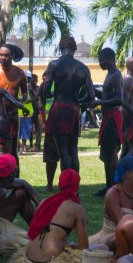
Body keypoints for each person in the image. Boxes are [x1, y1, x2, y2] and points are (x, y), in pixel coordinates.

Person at [9, 168, 89, 263]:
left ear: (59, 184)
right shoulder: (77, 209)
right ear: (77, 185)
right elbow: (84, 248)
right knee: (102, 248)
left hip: (28, 260)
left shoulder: (45, 202)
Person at [39, 36, 96, 181]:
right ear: (74, 49)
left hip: (59, 108)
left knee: (63, 151)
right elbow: (91, 95)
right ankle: (74, 186)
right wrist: (78, 100)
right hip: (73, 109)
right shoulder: (83, 68)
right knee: (73, 150)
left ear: (60, 48)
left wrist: (52, 93)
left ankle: (67, 186)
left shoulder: (54, 65)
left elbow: (45, 92)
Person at [0, 43, 28, 167]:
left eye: (6, 55)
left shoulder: (20, 73)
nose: (3, 58)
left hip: (12, 116)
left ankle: (13, 178)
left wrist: (22, 100)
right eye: (1, 55)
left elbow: (25, 94)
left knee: (12, 150)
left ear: (12, 56)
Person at [93, 48, 124, 195]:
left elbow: (120, 99)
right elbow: (107, 93)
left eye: (102, 60)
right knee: (107, 155)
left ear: (111, 59)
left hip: (112, 118)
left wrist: (99, 100)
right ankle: (108, 187)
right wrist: (93, 93)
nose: (100, 63)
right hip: (107, 118)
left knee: (111, 156)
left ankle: (113, 188)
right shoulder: (109, 74)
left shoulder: (116, 76)